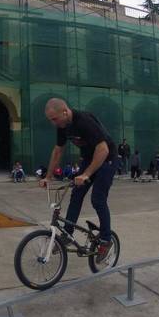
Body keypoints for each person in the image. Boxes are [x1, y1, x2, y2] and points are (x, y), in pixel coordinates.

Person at [40, 98, 117, 260]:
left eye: (54, 119)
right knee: (76, 194)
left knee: (98, 199)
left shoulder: (84, 121)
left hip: (107, 158)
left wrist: (86, 174)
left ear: (65, 112)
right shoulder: (63, 126)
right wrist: (48, 176)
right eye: (50, 120)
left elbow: (102, 149)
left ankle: (105, 239)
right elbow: (57, 151)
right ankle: (67, 234)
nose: (54, 123)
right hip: (89, 158)